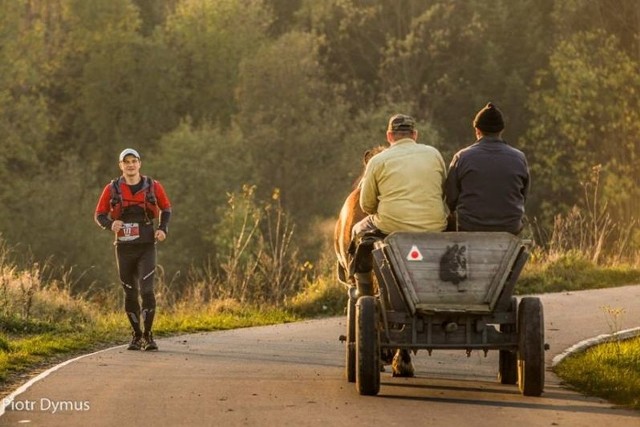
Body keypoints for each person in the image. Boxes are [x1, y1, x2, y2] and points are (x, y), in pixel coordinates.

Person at [352, 114, 448, 290]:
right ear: (415, 134)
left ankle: (363, 289)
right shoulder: (434, 154)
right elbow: (443, 191)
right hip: (434, 226)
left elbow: (366, 205)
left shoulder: (377, 161)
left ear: (389, 136)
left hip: (391, 227)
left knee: (357, 230)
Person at [94, 148, 172, 351]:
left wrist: (162, 229)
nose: (130, 165)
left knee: (147, 290)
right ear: (121, 166)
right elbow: (99, 214)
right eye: (126, 162)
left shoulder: (153, 186)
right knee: (129, 292)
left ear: (140, 163)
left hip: (146, 246)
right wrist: (110, 225)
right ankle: (136, 336)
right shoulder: (112, 189)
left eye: (134, 161)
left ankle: (148, 335)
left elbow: (166, 208)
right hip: (124, 248)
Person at [444, 102, 530, 235]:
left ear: (477, 130)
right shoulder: (519, 158)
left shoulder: (462, 157)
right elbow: (523, 196)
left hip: (469, 226)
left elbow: (451, 198)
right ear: (501, 130)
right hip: (510, 227)